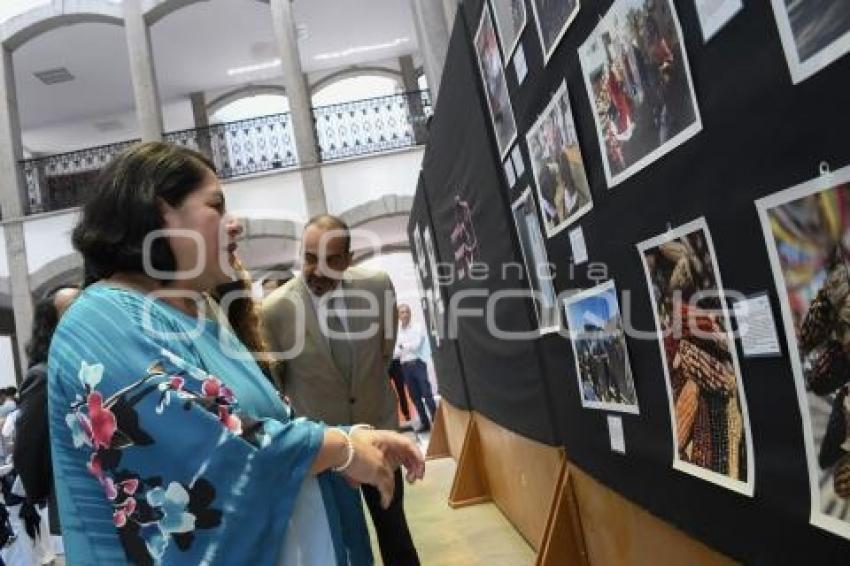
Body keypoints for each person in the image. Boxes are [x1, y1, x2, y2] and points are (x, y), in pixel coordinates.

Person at [47, 142, 424, 565]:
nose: (235, 225)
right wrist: (342, 447)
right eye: (217, 207)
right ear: (161, 214)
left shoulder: (191, 317)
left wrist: (352, 438)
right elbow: (219, 446)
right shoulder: (101, 320)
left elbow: (261, 424)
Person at [262, 215, 421, 565]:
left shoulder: (377, 287)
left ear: (348, 260)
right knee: (348, 541)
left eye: (331, 259)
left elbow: (383, 350)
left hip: (380, 432)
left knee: (395, 532)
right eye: (309, 257)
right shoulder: (275, 311)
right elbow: (280, 377)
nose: (316, 270)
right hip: (329, 447)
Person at [15, 285, 81, 540]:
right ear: (51, 325)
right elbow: (27, 448)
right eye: (71, 309)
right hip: (76, 504)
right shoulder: (44, 375)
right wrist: (52, 493)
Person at [395, 305, 437, 433]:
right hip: (405, 367)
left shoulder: (417, 327)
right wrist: (406, 347)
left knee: (427, 394)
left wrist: (403, 346)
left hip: (418, 364)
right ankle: (425, 424)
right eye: (402, 312)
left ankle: (438, 423)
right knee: (415, 397)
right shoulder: (396, 332)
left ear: (410, 313)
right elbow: (395, 353)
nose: (405, 314)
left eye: (407, 311)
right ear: (398, 315)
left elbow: (417, 345)